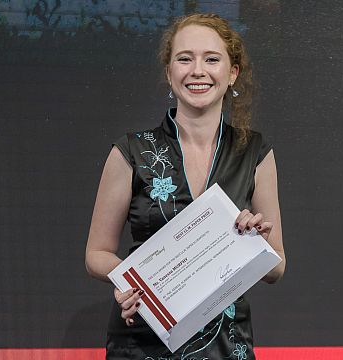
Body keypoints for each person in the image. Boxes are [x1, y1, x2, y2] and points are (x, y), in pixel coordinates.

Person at [84, 13, 287, 360]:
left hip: (225, 345)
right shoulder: (131, 151)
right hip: (143, 340)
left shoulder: (254, 152)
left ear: (232, 72)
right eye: (184, 58)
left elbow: (277, 267)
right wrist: (129, 284)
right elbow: (96, 254)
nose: (197, 70)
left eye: (211, 59)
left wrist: (257, 239)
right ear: (169, 72)